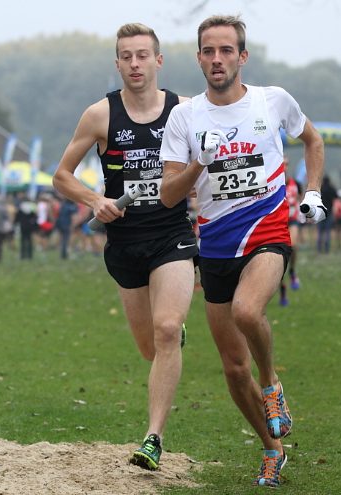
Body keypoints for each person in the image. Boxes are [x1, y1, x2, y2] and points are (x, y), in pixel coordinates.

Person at [159, 15, 325, 488]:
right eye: (209, 51)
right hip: (215, 243)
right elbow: (170, 195)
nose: (217, 59)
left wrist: (311, 192)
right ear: (198, 59)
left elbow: (312, 140)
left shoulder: (272, 101)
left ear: (242, 57)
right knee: (233, 369)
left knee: (248, 311)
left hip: (268, 227)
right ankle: (273, 451)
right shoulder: (184, 117)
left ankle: (272, 386)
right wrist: (199, 165)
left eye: (226, 50)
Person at [53, 22, 197, 471]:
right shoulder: (99, 115)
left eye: (142, 55)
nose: (135, 64)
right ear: (117, 63)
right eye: (126, 57)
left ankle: (153, 438)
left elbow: (213, 157)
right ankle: (168, 338)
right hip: (124, 242)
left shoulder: (185, 110)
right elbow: (62, 176)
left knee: (167, 330)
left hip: (172, 234)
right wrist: (96, 199)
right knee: (150, 348)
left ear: (158, 60)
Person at [279, 157, 302, 306]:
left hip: (292, 220)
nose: (284, 166)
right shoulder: (273, 183)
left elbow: (300, 198)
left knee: (292, 246)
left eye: (286, 163)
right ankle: (283, 293)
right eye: (282, 163)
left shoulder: (296, 184)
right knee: (279, 256)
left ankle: (293, 272)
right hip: (278, 222)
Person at [317, 175, 338, 253]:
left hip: (320, 212)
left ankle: (319, 248)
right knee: (327, 231)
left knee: (320, 232)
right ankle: (326, 249)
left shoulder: (320, 188)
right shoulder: (331, 188)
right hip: (329, 211)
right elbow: (336, 196)